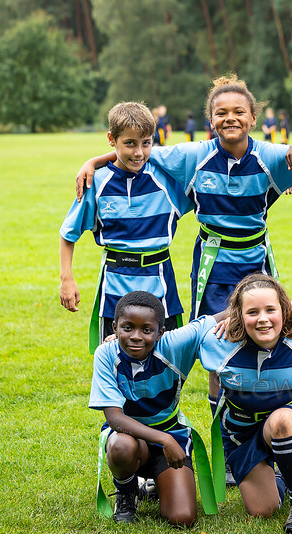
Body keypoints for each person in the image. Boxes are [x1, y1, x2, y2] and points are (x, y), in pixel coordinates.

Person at [75, 75, 292, 482]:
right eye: (221, 113)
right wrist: (94, 162)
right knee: (219, 355)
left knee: (262, 345)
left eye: (239, 111)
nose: (230, 118)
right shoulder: (192, 156)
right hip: (213, 267)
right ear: (210, 120)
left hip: (256, 264)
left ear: (254, 117)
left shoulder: (272, 157)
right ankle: (229, 452)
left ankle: (269, 447)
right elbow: (134, 148)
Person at [201, 274, 292, 533]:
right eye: (252, 312)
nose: (263, 319)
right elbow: (170, 343)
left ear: (284, 310)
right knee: (262, 509)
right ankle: (282, 474)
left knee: (282, 421)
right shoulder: (218, 341)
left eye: (271, 310)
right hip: (239, 433)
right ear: (238, 316)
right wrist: (115, 343)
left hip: (289, 417)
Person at [60, 101, 191, 354]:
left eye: (146, 143)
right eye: (130, 143)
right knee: (113, 363)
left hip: (161, 286)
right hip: (114, 288)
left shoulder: (167, 179)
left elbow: (213, 175)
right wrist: (67, 278)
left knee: (166, 365)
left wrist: (278, 182)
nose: (139, 152)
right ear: (111, 139)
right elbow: (69, 233)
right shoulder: (96, 183)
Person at [90, 291, 204, 526]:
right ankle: (126, 493)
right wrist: (164, 439)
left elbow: (216, 319)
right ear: (114, 327)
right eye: (127, 328)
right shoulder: (105, 354)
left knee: (182, 518)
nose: (135, 336)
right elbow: (114, 418)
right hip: (131, 438)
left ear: (160, 332)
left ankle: (153, 485)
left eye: (147, 330)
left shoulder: (172, 346)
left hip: (171, 434)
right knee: (121, 444)